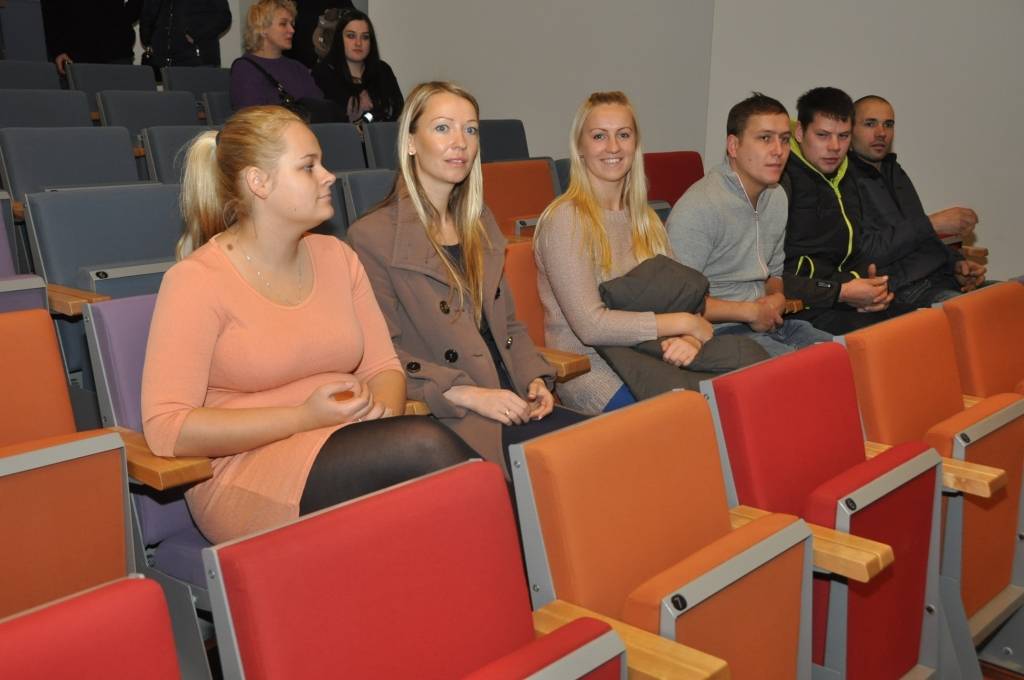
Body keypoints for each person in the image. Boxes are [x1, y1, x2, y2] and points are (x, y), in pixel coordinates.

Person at [141, 106, 476, 543]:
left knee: (433, 491)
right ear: (259, 182)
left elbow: (382, 368)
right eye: (308, 167)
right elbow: (168, 429)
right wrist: (303, 417)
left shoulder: (338, 257)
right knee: (427, 449)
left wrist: (380, 414)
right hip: (248, 469)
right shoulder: (195, 281)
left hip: (349, 443)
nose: (329, 176)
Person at [348, 82, 584, 469]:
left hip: (511, 399)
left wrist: (534, 379)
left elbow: (508, 326)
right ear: (411, 142)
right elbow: (382, 357)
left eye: (470, 130)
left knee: (607, 449)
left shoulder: (479, 222)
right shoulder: (371, 237)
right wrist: (467, 394)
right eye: (443, 128)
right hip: (451, 415)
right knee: (575, 465)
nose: (460, 142)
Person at [534, 91, 715, 415]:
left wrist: (689, 340)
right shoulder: (566, 219)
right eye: (599, 136)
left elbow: (684, 300)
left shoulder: (646, 220)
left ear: (635, 144)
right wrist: (683, 323)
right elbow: (591, 326)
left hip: (654, 358)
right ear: (580, 147)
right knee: (686, 420)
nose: (613, 147)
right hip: (592, 371)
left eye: (623, 135)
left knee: (727, 406)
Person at [667, 93, 832, 355]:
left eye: (784, 139)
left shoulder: (776, 196)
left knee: (843, 355)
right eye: (765, 138)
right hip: (714, 332)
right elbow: (676, 300)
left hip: (769, 323)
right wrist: (749, 311)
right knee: (803, 370)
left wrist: (776, 297)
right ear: (733, 146)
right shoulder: (699, 207)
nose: (778, 151)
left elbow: (774, 274)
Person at [781, 86, 909, 335]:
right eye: (822, 135)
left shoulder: (848, 176)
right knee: (889, 337)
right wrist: (841, 292)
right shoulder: (781, 182)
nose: (834, 147)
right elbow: (772, 277)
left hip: (844, 298)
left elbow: (857, 249)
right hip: (803, 308)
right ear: (800, 133)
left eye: (843, 136)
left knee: (919, 323)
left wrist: (871, 289)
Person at [850, 95, 986, 305]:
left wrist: (956, 265)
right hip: (905, 291)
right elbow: (865, 252)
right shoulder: (844, 182)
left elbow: (921, 236)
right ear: (849, 130)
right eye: (870, 124)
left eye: (888, 124)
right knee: (979, 311)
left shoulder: (894, 171)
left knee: (1013, 294)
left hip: (941, 278)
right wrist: (932, 223)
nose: (881, 133)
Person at [312, 8, 403, 123]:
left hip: (385, 133)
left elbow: (399, 112)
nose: (358, 43)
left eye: (365, 37)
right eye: (351, 36)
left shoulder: (383, 71)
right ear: (339, 39)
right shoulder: (323, 73)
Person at [230, 0, 324, 110]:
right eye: (283, 24)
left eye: (292, 24)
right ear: (262, 28)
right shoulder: (245, 69)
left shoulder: (298, 68)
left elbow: (320, 108)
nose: (292, 30)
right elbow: (251, 117)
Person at [41, 0, 140, 76]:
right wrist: (58, 49)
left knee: (120, 95)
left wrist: (123, 20)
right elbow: (49, 9)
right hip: (74, 52)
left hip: (117, 50)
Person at [139, 0, 232, 70]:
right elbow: (147, 14)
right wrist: (148, 41)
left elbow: (223, 17)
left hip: (197, 60)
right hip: (166, 61)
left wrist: (196, 34)